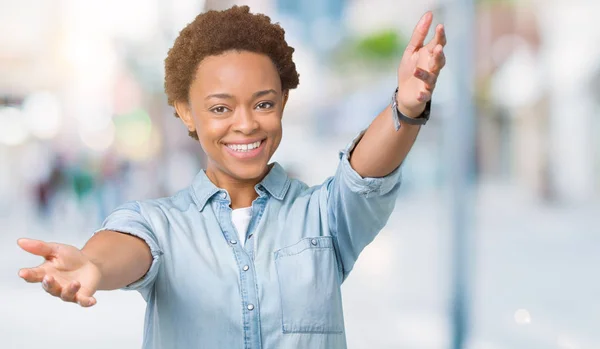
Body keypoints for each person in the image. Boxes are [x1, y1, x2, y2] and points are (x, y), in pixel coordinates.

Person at [17, 5, 446, 349]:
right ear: (186, 112)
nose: (245, 125)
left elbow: (362, 175)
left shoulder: (324, 216)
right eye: (220, 108)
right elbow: (127, 248)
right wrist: (92, 265)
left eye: (262, 104)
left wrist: (406, 109)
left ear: (283, 100)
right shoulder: (159, 224)